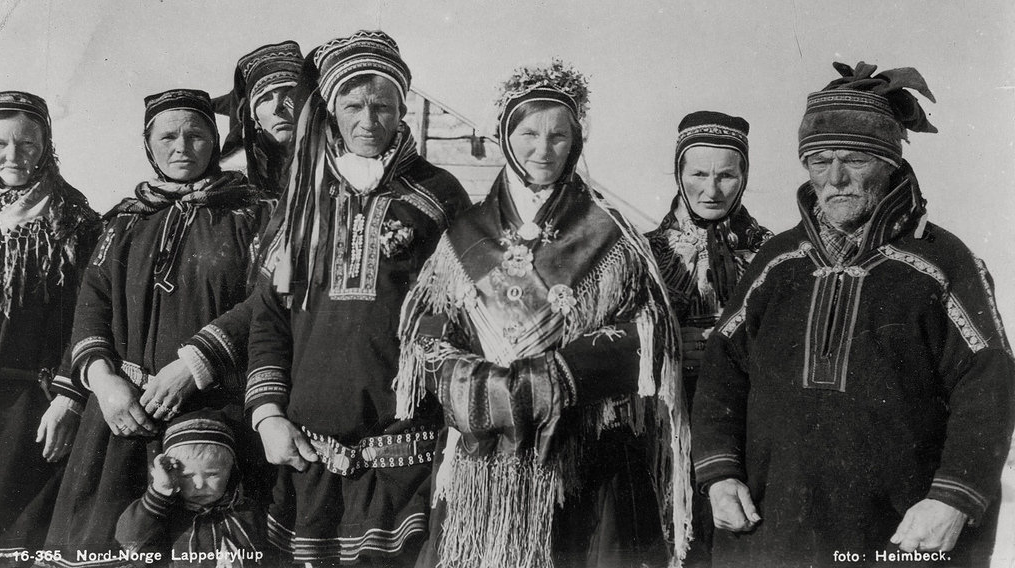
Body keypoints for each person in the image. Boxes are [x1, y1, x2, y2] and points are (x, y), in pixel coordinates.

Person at [691, 61, 1015, 567]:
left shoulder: (944, 264)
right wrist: (720, 473)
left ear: (890, 162)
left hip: (898, 536)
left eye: (855, 159)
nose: (835, 178)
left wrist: (954, 498)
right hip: (772, 531)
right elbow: (721, 372)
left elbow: (988, 386)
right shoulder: (777, 263)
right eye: (819, 161)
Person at [394, 60, 692, 568]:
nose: (543, 149)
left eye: (558, 136)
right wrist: (463, 376)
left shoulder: (609, 233)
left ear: (576, 141)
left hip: (580, 455)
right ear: (506, 136)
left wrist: (558, 376)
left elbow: (646, 331)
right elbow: (427, 322)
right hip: (483, 455)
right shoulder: (464, 233)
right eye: (528, 133)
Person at [244, 30, 470, 566]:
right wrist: (268, 416)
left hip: (404, 455)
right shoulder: (302, 198)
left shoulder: (439, 197)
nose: (369, 120)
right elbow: (270, 319)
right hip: (305, 455)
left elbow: (465, 320)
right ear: (331, 109)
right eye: (353, 104)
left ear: (402, 108)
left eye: (382, 105)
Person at [41, 89, 270, 567]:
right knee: (105, 543)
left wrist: (194, 364)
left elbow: (266, 301)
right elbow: (92, 306)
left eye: (196, 134)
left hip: (212, 414)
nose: (181, 146)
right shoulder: (125, 220)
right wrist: (104, 384)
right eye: (167, 136)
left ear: (215, 141)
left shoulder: (253, 215)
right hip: (123, 416)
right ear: (149, 144)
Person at [646, 111, 771, 567]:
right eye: (698, 173)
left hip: (742, 423)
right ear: (679, 173)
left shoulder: (770, 255)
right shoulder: (644, 254)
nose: (711, 190)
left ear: (744, 177)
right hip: (664, 423)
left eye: (726, 175)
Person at [0, 91, 99, 564]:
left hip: (29, 402)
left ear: (46, 144)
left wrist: (67, 397)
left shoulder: (71, 219)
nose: (13, 156)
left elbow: (87, 314)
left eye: (27, 144)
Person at [115, 410, 267, 567]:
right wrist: (160, 491)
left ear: (231, 471)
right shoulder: (167, 516)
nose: (199, 485)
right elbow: (130, 543)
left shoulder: (248, 511)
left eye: (212, 474)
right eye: (187, 476)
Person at [214, 40, 304, 197]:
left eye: (290, 94)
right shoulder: (231, 182)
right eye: (265, 99)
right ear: (254, 118)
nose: (278, 109)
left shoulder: (344, 168)